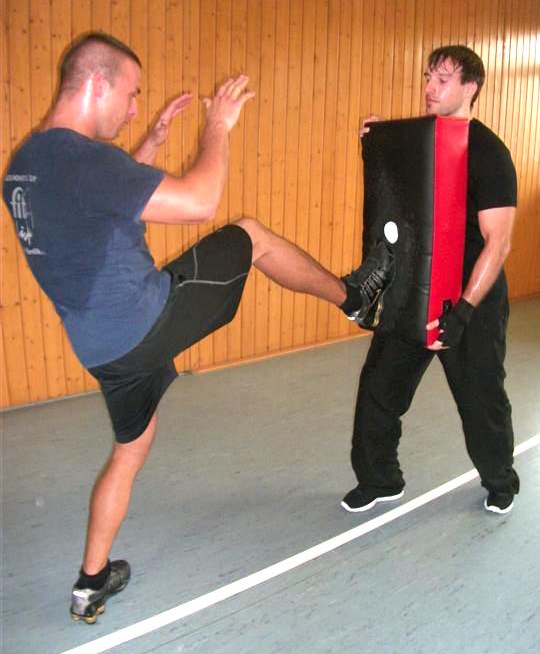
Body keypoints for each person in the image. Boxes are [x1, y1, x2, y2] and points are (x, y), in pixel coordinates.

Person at [3, 33, 394, 623]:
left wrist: (150, 145)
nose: (135, 108)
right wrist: (218, 125)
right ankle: (355, 298)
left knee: (130, 450)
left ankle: (91, 581)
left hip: (100, 347)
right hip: (144, 320)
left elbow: (96, 207)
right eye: (131, 94)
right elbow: (198, 202)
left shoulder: (28, 165)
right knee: (250, 234)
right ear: (96, 84)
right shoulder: (84, 161)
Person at [341, 45, 519, 517]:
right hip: (415, 289)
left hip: (470, 298)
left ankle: (500, 480)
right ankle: (379, 479)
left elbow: (498, 243)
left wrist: (463, 311)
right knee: (379, 389)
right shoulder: (415, 143)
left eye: (442, 79)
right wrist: (378, 143)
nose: (429, 87)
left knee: (481, 400)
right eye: (427, 77)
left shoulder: (489, 152)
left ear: (470, 87)